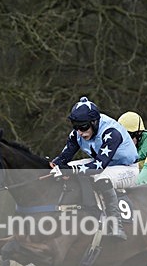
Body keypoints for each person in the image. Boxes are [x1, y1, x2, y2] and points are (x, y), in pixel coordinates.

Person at [50, 96, 139, 240]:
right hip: (103, 163)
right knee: (65, 169)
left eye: (84, 127)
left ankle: (116, 225)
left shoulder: (111, 133)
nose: (79, 132)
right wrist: (51, 166)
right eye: (76, 127)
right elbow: (63, 159)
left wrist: (72, 171)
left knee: (102, 178)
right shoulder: (77, 134)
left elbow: (99, 166)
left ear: (94, 122)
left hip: (127, 168)